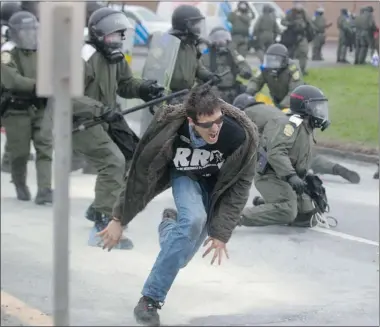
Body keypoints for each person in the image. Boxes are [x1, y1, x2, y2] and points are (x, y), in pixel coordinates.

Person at [98, 85, 259, 326]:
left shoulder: (238, 136)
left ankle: (169, 224)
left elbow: (240, 186)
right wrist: (119, 218)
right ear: (191, 121)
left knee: (179, 257)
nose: (215, 129)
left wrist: (222, 233)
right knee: (193, 219)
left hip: (215, 188)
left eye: (218, 121)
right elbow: (140, 175)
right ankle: (149, 300)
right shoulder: (171, 129)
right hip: (186, 177)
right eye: (207, 125)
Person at [71, 7, 163, 248]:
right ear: (100, 34)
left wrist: (144, 89)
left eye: (122, 35)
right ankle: (101, 227)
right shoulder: (82, 56)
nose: (119, 40)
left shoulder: (114, 56)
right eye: (115, 35)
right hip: (81, 121)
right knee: (113, 161)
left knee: (133, 158)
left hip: (108, 118)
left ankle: (101, 208)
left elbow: (125, 84)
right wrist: (100, 109)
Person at [235, 85, 329, 227]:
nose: (321, 111)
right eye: (317, 106)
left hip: (288, 176)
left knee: (309, 217)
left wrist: (305, 175)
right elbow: (276, 152)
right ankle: (235, 218)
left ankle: (267, 204)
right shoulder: (290, 124)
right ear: (305, 106)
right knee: (288, 211)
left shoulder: (307, 126)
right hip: (270, 175)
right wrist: (291, 176)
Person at [234, 92, 360, 184]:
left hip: (277, 138)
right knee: (308, 157)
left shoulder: (246, 113)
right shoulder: (269, 108)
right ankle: (336, 168)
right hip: (295, 130)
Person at [1, 11, 53, 204]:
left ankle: (45, 189)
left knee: (45, 147)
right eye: (24, 30)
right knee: (20, 153)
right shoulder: (7, 52)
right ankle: (19, 182)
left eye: (33, 29)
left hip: (39, 106)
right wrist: (41, 85)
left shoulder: (41, 50)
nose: (29, 34)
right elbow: (12, 81)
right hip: (16, 109)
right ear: (14, 32)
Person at [200, 27, 252, 104]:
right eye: (217, 39)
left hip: (232, 93)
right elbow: (200, 77)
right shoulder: (205, 57)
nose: (221, 42)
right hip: (214, 94)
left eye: (224, 38)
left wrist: (234, 57)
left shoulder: (233, 55)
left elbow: (247, 73)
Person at [281, 2, 314, 75]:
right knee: (290, 54)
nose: (300, 5)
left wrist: (311, 31)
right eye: (298, 3)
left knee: (304, 52)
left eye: (301, 3)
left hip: (302, 36)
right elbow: (283, 22)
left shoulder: (304, 13)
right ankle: (288, 71)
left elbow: (310, 23)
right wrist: (292, 24)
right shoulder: (290, 13)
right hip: (292, 37)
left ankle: (302, 70)